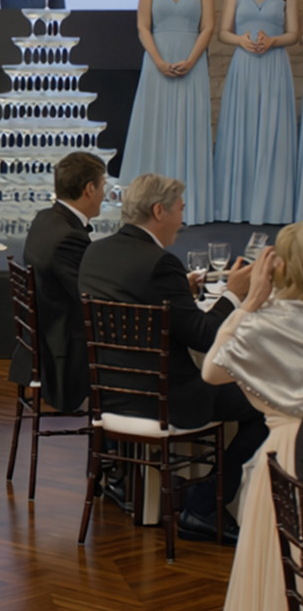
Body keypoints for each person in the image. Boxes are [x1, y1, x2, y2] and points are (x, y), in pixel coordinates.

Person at [78, 173, 267, 541]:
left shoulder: (96, 252)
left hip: (109, 393)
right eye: (180, 209)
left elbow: (135, 306)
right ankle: (204, 505)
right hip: (164, 399)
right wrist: (233, 295)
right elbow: (204, 336)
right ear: (158, 211)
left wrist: (181, 293)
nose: (183, 218)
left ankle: (164, 488)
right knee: (266, 404)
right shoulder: (160, 263)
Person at [193, 234, 303, 611]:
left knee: (283, 571)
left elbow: (212, 372)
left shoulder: (262, 324)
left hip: (285, 459)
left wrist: (249, 304)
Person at [119, 0, 215, 224]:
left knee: (189, 127)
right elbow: (142, 27)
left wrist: (191, 60)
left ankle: (188, 206)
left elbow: (208, 28)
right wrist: (159, 61)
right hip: (156, 63)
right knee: (154, 127)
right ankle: (145, 205)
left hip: (192, 64)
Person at [9, 151, 106, 413]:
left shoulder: (45, 219)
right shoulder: (68, 237)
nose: (105, 194)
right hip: (65, 356)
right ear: (89, 189)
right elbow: (90, 297)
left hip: (41, 340)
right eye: (103, 186)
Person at [214, 0, 299, 224]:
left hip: (275, 68)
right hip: (244, 67)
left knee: (273, 132)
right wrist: (242, 40)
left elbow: (294, 34)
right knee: (243, 128)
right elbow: (223, 32)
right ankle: (237, 206)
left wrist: (273, 40)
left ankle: (271, 207)